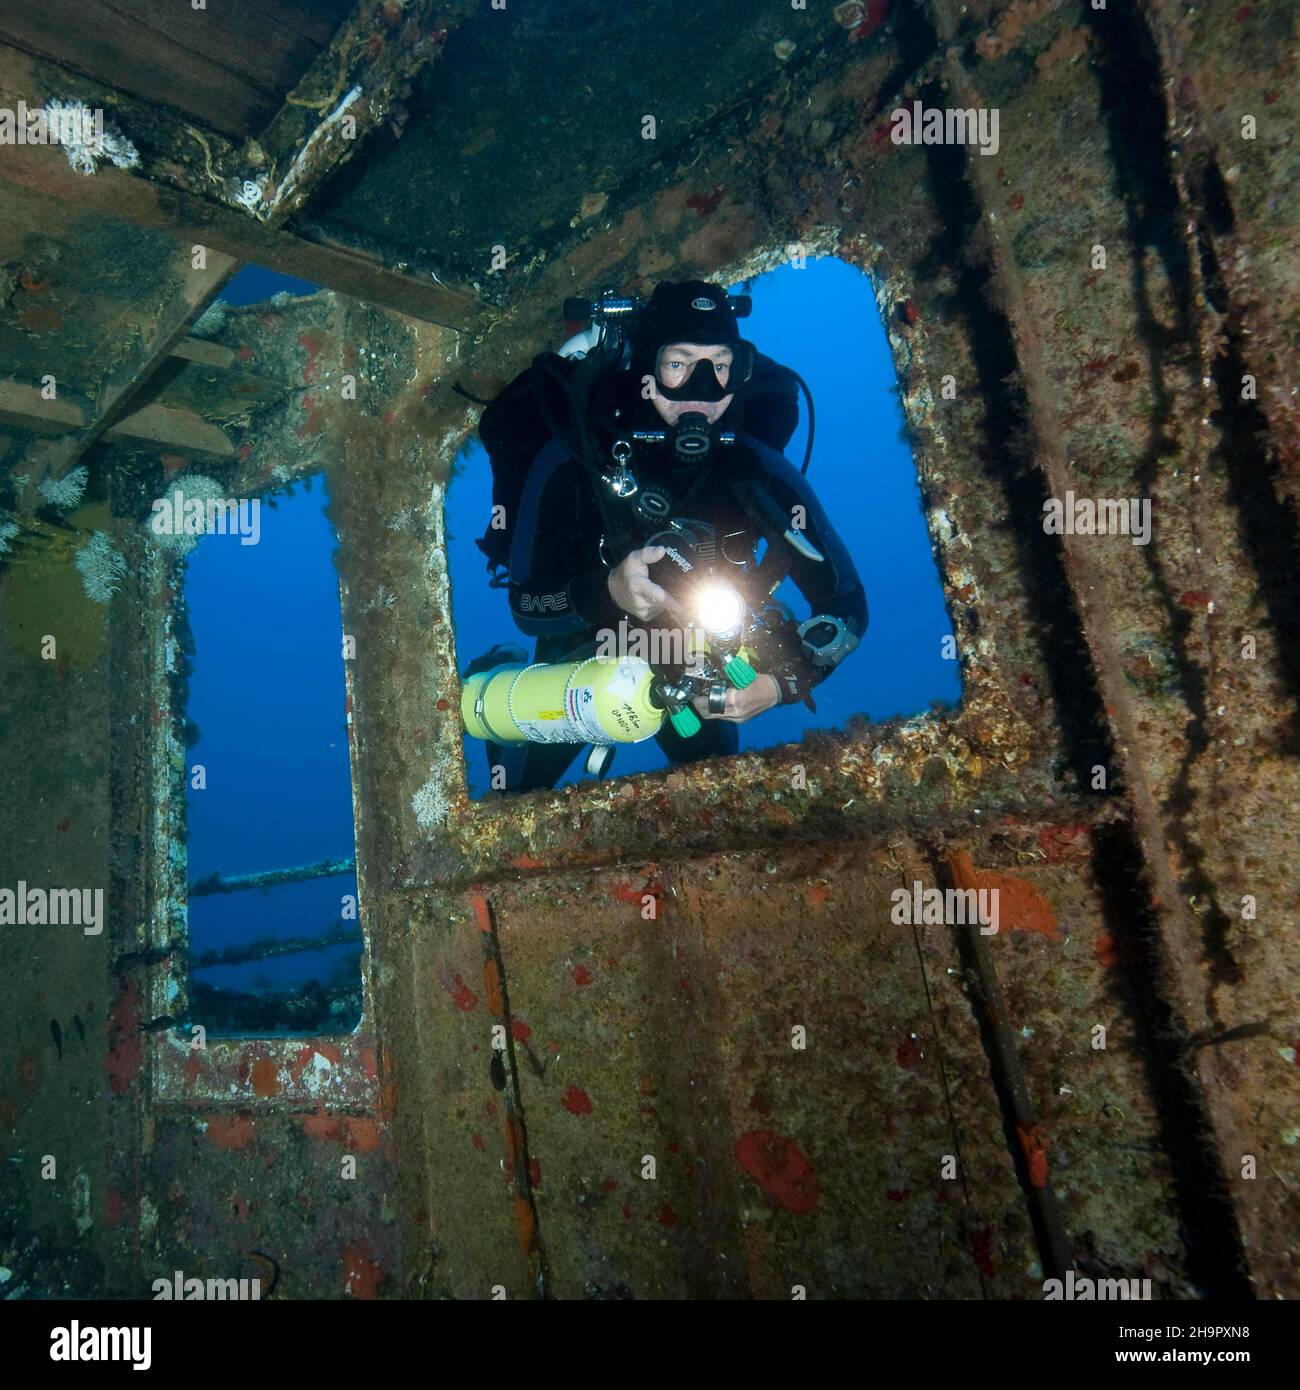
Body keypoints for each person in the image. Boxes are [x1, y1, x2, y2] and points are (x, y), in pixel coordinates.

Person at [468, 279, 867, 793]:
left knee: (715, 793)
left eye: (719, 366)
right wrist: (608, 589)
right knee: (518, 790)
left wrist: (781, 685)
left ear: (738, 372)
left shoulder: (753, 468)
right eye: (679, 364)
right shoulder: (576, 458)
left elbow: (847, 601)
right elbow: (527, 605)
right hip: (586, 635)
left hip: (694, 651)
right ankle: (499, 671)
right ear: (646, 373)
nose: (702, 391)